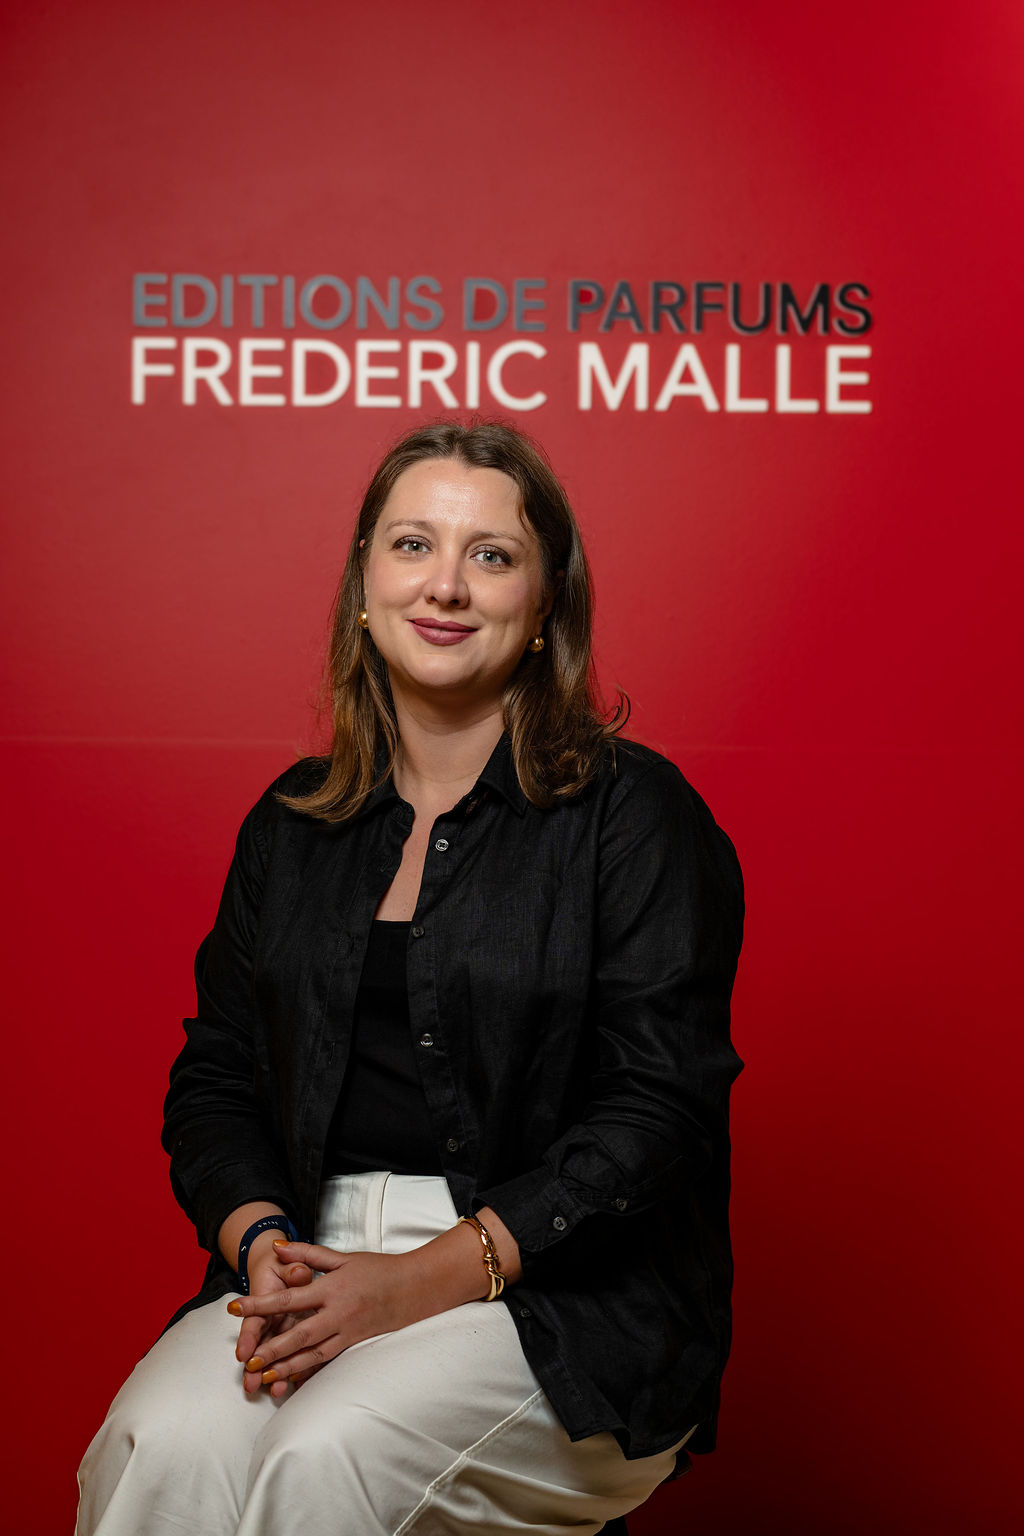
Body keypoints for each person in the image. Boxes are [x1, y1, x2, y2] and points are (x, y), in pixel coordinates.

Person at [76, 420, 744, 1536]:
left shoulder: (634, 817)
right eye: (412, 544)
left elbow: (656, 1110)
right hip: (307, 1257)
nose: (446, 585)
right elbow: (216, 1082)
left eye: (492, 555)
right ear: (363, 585)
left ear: (545, 605)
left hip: (557, 1292)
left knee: (326, 1457)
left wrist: (417, 1280)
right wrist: (260, 1244)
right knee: (160, 1446)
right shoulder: (291, 826)